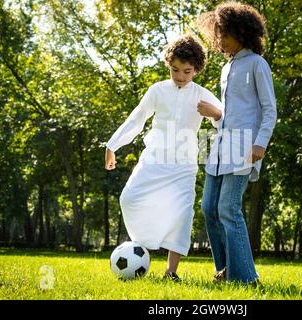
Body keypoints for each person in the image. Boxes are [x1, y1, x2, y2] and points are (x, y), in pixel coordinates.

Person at [104, 35, 223, 282]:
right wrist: (112, 145)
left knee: (182, 215)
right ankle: (141, 248)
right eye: (175, 70)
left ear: (197, 69)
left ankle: (171, 272)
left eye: (187, 71)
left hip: (184, 165)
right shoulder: (157, 90)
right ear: (168, 65)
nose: (180, 76)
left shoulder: (201, 95)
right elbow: (137, 119)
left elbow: (226, 119)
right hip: (154, 159)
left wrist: (216, 114)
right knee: (129, 198)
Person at [197, 2, 277, 286]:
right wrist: (214, 115)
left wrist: (261, 144)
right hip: (218, 146)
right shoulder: (225, 68)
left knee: (228, 209)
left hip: (245, 147)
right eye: (217, 35)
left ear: (241, 32)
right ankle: (226, 269)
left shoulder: (257, 64)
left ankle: (247, 278)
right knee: (209, 208)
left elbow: (269, 110)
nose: (219, 41)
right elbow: (228, 116)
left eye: (224, 35)